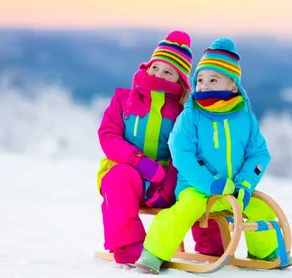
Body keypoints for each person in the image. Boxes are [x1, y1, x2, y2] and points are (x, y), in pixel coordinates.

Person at [135, 37, 292, 273]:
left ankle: (265, 254)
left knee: (262, 210)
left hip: (232, 189)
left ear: (233, 86)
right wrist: (208, 183)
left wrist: (245, 183)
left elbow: (259, 154)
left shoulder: (245, 119)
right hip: (196, 187)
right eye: (200, 79)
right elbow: (181, 152)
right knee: (185, 210)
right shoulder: (191, 116)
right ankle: (153, 253)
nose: (204, 85)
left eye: (213, 79)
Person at [96, 30, 223, 264]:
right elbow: (108, 135)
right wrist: (137, 161)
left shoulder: (185, 112)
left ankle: (211, 243)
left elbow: (187, 152)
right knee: (118, 178)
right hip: (127, 172)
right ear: (148, 66)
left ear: (180, 80)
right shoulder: (124, 100)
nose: (159, 75)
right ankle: (129, 246)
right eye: (156, 67)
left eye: (168, 72)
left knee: (197, 186)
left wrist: (166, 187)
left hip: (166, 179)